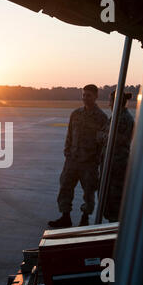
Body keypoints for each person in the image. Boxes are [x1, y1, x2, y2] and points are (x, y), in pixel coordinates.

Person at [48, 84, 108, 228]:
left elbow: (103, 142)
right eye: (84, 95)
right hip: (72, 160)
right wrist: (67, 151)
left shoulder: (101, 118)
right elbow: (69, 134)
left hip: (89, 162)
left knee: (88, 192)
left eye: (89, 95)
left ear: (96, 97)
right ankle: (65, 217)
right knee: (65, 187)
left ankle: (85, 218)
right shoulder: (76, 114)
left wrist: (97, 160)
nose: (85, 98)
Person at [99, 91, 134, 222]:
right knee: (109, 198)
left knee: (114, 199)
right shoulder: (117, 117)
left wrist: (101, 136)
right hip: (112, 163)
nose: (109, 104)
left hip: (116, 165)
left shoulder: (123, 118)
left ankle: (114, 227)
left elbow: (109, 138)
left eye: (110, 100)